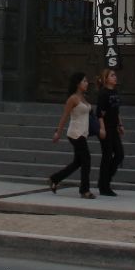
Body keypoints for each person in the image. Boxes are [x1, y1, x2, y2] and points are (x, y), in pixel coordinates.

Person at [46, 70, 96, 198]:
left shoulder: (83, 98)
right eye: (84, 81)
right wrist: (58, 132)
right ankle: (84, 190)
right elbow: (65, 116)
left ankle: (54, 179)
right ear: (77, 83)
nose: (87, 83)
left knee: (78, 162)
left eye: (86, 81)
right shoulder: (72, 98)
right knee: (86, 160)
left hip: (82, 133)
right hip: (75, 133)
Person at [94, 66, 125, 197]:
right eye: (112, 75)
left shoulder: (115, 91)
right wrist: (102, 128)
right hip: (106, 128)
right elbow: (99, 113)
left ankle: (105, 180)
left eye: (115, 75)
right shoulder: (103, 93)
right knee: (107, 156)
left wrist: (120, 124)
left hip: (114, 128)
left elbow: (116, 110)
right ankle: (104, 186)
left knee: (119, 154)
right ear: (106, 79)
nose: (115, 77)